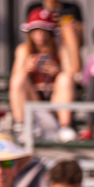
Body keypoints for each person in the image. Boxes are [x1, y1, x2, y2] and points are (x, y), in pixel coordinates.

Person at [10, 8, 76, 142]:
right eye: (36, 29)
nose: (40, 34)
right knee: (18, 79)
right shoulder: (23, 49)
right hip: (33, 101)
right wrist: (26, 68)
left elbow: (73, 73)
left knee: (65, 79)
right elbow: (14, 80)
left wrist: (57, 70)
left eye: (44, 29)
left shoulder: (60, 48)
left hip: (54, 101)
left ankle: (64, 126)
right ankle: (21, 125)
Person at [24, 0, 84, 77]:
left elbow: (81, 36)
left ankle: (74, 71)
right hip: (43, 44)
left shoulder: (72, 8)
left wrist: (62, 25)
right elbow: (29, 34)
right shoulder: (34, 8)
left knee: (68, 28)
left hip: (64, 45)